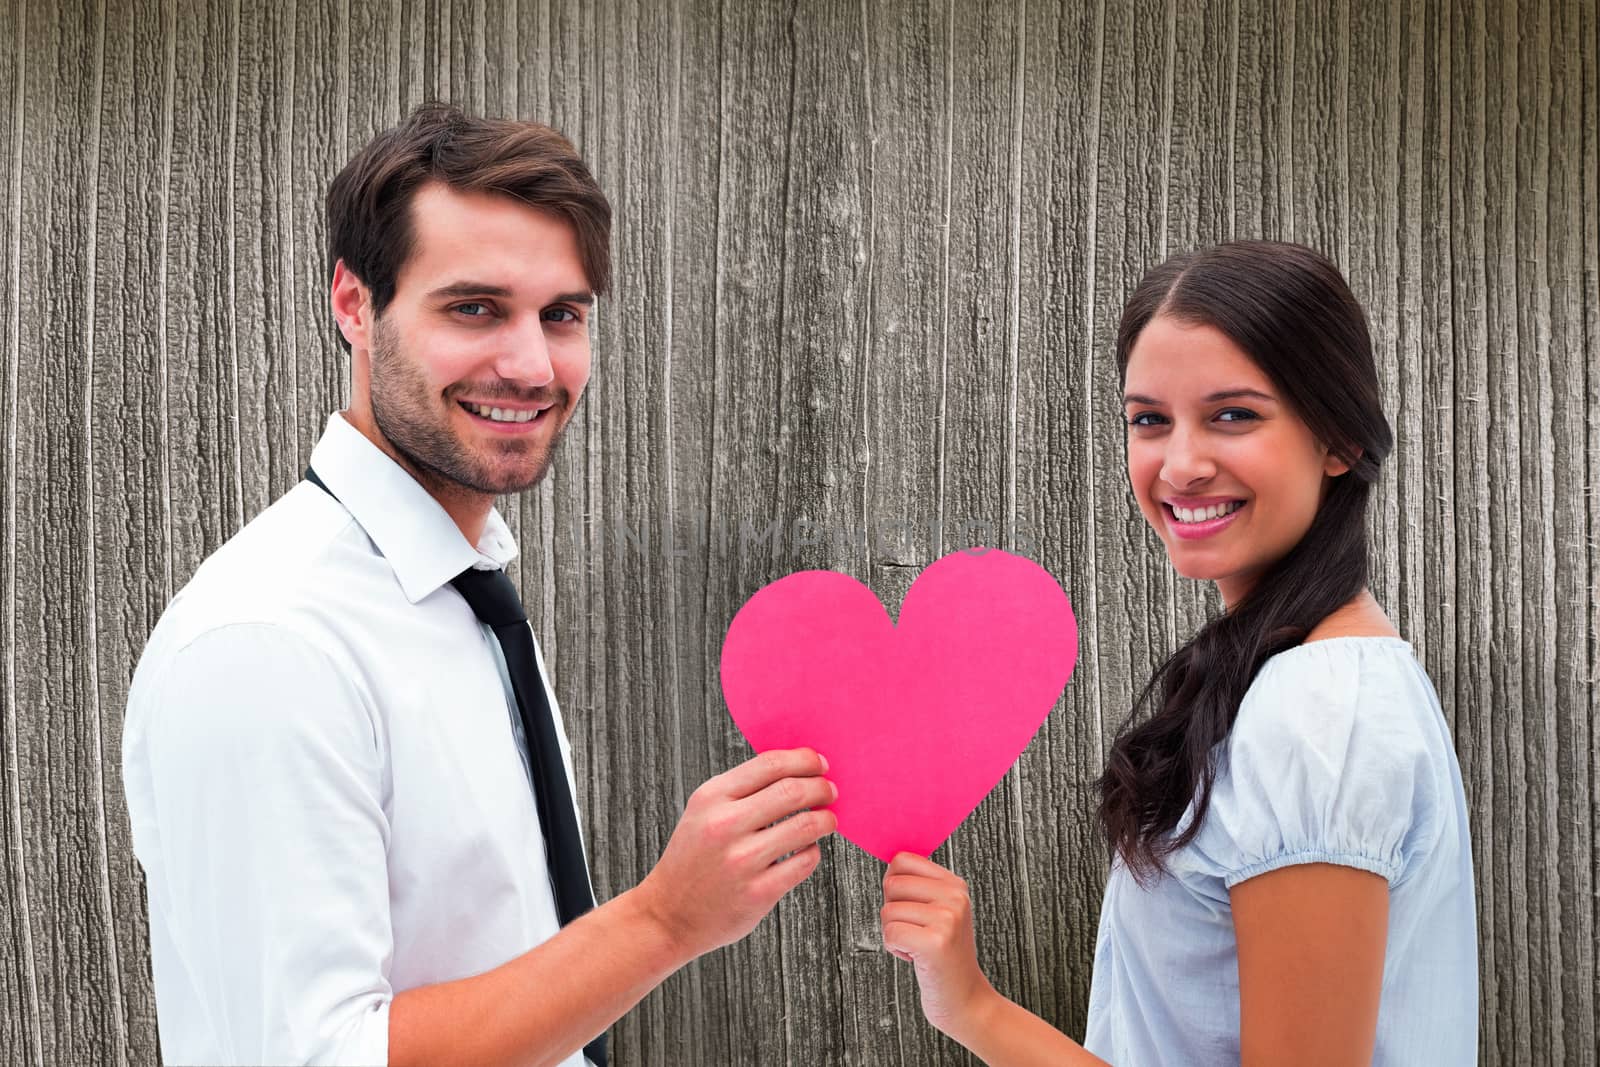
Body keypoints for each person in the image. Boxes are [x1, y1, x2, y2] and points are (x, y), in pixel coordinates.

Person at [122, 103, 838, 1067]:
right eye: (475, 308)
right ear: (353, 303)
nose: (533, 365)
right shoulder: (270, 641)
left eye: (563, 315)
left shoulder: (466, 590)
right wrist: (664, 920)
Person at [878, 241, 1477, 1065]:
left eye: (1234, 414)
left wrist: (977, 1008)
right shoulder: (1316, 676)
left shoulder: (1316, 718)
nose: (1181, 464)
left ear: (1337, 437)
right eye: (1149, 419)